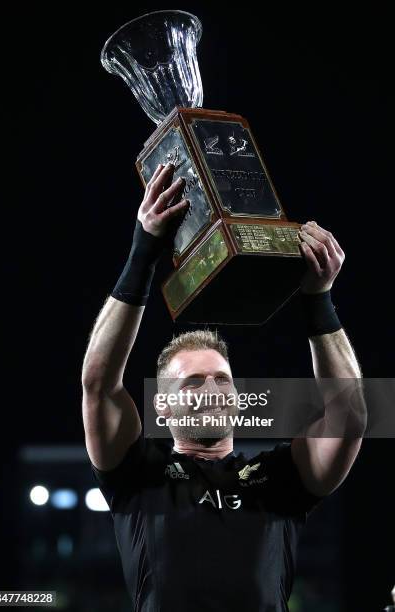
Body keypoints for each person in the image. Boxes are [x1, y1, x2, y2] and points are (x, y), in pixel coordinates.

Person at [82, 162, 366, 611]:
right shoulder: (137, 474)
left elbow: (350, 416)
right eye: (193, 382)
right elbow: (99, 382)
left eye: (222, 379)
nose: (212, 389)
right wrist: (144, 252)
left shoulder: (279, 480)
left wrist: (318, 299)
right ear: (163, 407)